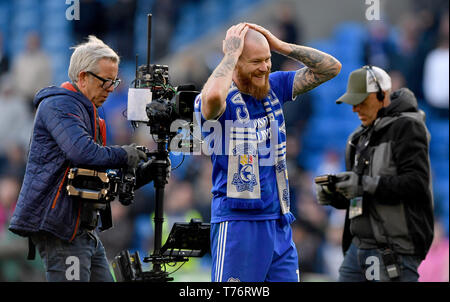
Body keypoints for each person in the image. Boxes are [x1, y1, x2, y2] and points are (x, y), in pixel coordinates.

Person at [8, 36, 168, 282]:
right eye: (105, 81)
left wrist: (144, 173)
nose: (111, 89)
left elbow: (96, 180)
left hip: (82, 231)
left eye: (114, 81)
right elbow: (82, 152)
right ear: (82, 77)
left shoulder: (87, 114)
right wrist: (125, 155)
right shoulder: (59, 105)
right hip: (62, 230)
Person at [194, 22, 341, 282]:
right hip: (239, 223)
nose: (264, 67)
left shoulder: (273, 86)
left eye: (268, 60)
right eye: (256, 61)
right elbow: (212, 100)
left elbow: (331, 68)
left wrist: (282, 47)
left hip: (278, 221)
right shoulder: (216, 98)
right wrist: (229, 55)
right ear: (236, 63)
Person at [315, 65, 434, 282]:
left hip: (394, 249)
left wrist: (363, 184)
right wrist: (337, 197)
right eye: (353, 102)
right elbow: (361, 196)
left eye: (361, 100)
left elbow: (416, 184)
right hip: (357, 247)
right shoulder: (356, 138)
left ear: (382, 95)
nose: (355, 109)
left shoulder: (407, 127)